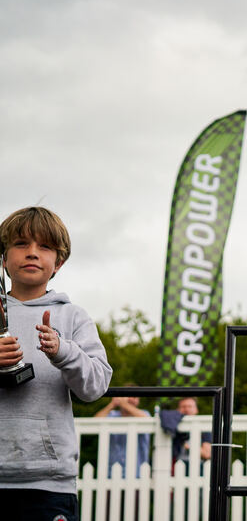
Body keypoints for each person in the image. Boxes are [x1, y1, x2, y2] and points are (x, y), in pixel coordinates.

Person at [0, 206, 113, 521]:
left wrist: (64, 351)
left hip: (49, 485)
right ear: (4, 257)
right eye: (21, 244)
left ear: (58, 262)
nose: (32, 253)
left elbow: (96, 386)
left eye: (44, 246)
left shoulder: (73, 316)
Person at [94, 390, 151, 478]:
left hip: (137, 475)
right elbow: (94, 422)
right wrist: (111, 405)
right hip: (111, 475)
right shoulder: (112, 415)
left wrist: (124, 404)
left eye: (135, 397)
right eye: (129, 396)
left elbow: (147, 420)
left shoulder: (144, 413)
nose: (132, 399)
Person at [160, 396, 212, 465]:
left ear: (196, 409)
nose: (187, 409)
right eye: (183, 407)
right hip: (175, 466)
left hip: (198, 467)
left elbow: (207, 454)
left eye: (190, 406)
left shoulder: (203, 429)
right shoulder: (171, 425)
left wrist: (188, 446)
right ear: (177, 410)